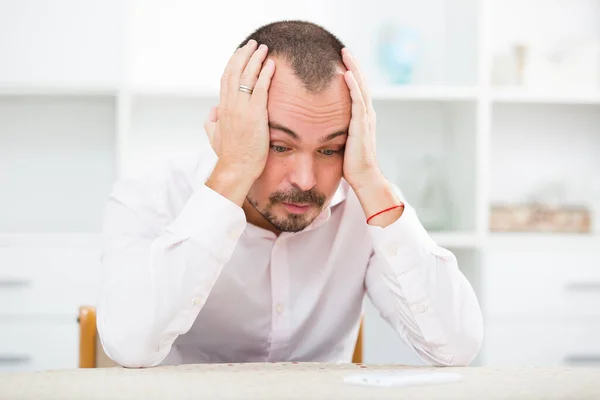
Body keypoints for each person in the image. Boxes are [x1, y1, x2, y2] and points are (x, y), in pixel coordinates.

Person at [97, 20, 483, 368]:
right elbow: (130, 345)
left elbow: (456, 347)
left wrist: (369, 178)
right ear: (233, 123)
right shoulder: (150, 197)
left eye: (330, 149)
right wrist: (232, 171)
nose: (305, 180)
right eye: (280, 146)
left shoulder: (365, 205)